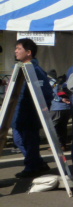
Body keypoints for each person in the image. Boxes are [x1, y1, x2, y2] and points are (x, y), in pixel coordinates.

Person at [12, 38, 54, 178]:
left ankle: (32, 167)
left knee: (30, 142)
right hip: (18, 114)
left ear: (29, 52)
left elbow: (47, 93)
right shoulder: (20, 68)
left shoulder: (35, 70)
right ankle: (37, 163)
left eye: (19, 48)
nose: (16, 51)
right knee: (19, 140)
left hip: (29, 115)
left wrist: (40, 111)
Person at [50, 71, 73, 151]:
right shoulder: (68, 85)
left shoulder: (55, 85)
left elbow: (53, 95)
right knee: (63, 127)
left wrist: (60, 99)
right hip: (67, 108)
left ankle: (55, 145)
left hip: (57, 108)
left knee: (53, 127)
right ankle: (63, 145)